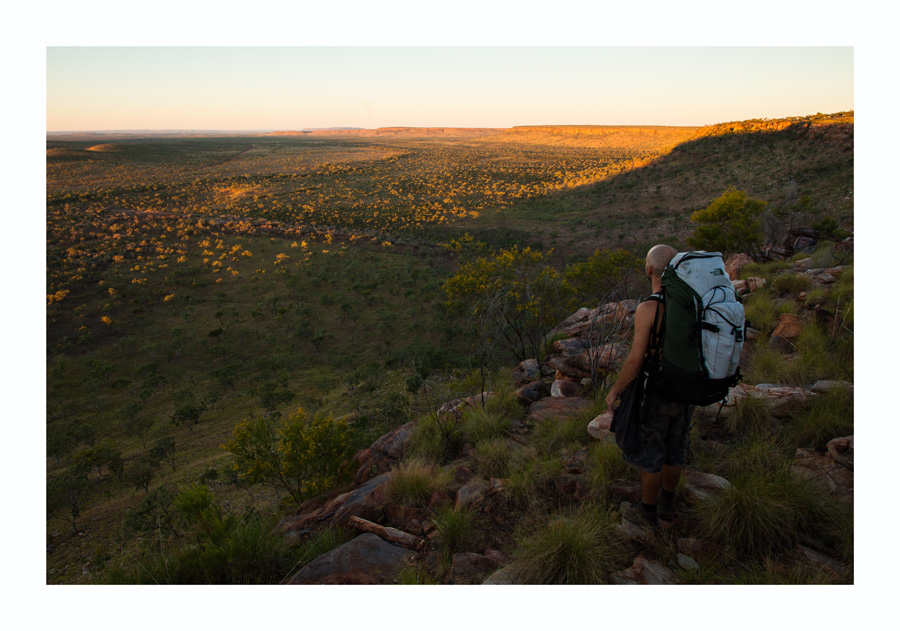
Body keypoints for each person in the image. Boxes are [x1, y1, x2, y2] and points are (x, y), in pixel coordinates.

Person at [605, 244, 694, 528]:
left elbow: (634, 362)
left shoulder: (649, 309)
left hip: (656, 391)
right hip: (687, 387)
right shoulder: (693, 304)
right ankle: (668, 502)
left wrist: (615, 390)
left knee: (652, 452)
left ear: (649, 270)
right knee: (676, 446)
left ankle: (647, 512)